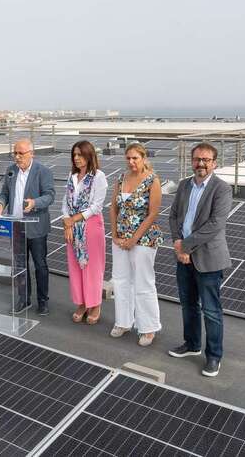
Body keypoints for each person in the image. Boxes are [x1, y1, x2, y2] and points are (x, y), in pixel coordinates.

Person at [168, 142, 232, 377]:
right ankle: (192, 344)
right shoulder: (184, 185)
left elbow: (215, 224)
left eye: (206, 160)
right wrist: (177, 241)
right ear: (192, 161)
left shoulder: (222, 189)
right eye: (197, 159)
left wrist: (185, 245)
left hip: (208, 259)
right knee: (188, 305)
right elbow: (174, 215)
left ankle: (214, 356)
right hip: (182, 257)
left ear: (214, 163)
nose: (201, 164)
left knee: (211, 310)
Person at [109, 142, 163, 346]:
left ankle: (148, 328)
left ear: (143, 158)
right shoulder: (121, 178)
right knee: (121, 281)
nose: (131, 162)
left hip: (144, 240)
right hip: (120, 239)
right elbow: (113, 208)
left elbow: (153, 213)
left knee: (143, 282)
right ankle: (123, 322)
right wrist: (115, 235)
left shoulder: (152, 180)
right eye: (128, 158)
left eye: (135, 158)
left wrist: (134, 239)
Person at [0, 138, 55, 315]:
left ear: (31, 154)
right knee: (20, 264)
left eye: (21, 153)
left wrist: (34, 202)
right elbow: (5, 193)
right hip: (16, 226)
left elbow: (50, 196)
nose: (17, 157)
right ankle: (24, 298)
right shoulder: (11, 171)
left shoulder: (43, 171)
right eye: (15, 153)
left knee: (40, 265)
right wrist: (0, 203)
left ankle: (42, 301)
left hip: (36, 227)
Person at [61, 140, 108, 325]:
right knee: (75, 266)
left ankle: (94, 304)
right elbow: (65, 201)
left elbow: (97, 206)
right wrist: (67, 222)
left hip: (91, 225)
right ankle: (81, 303)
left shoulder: (98, 176)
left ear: (89, 155)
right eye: (74, 155)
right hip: (72, 226)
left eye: (80, 154)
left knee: (92, 267)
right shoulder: (71, 176)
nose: (76, 158)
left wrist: (74, 219)